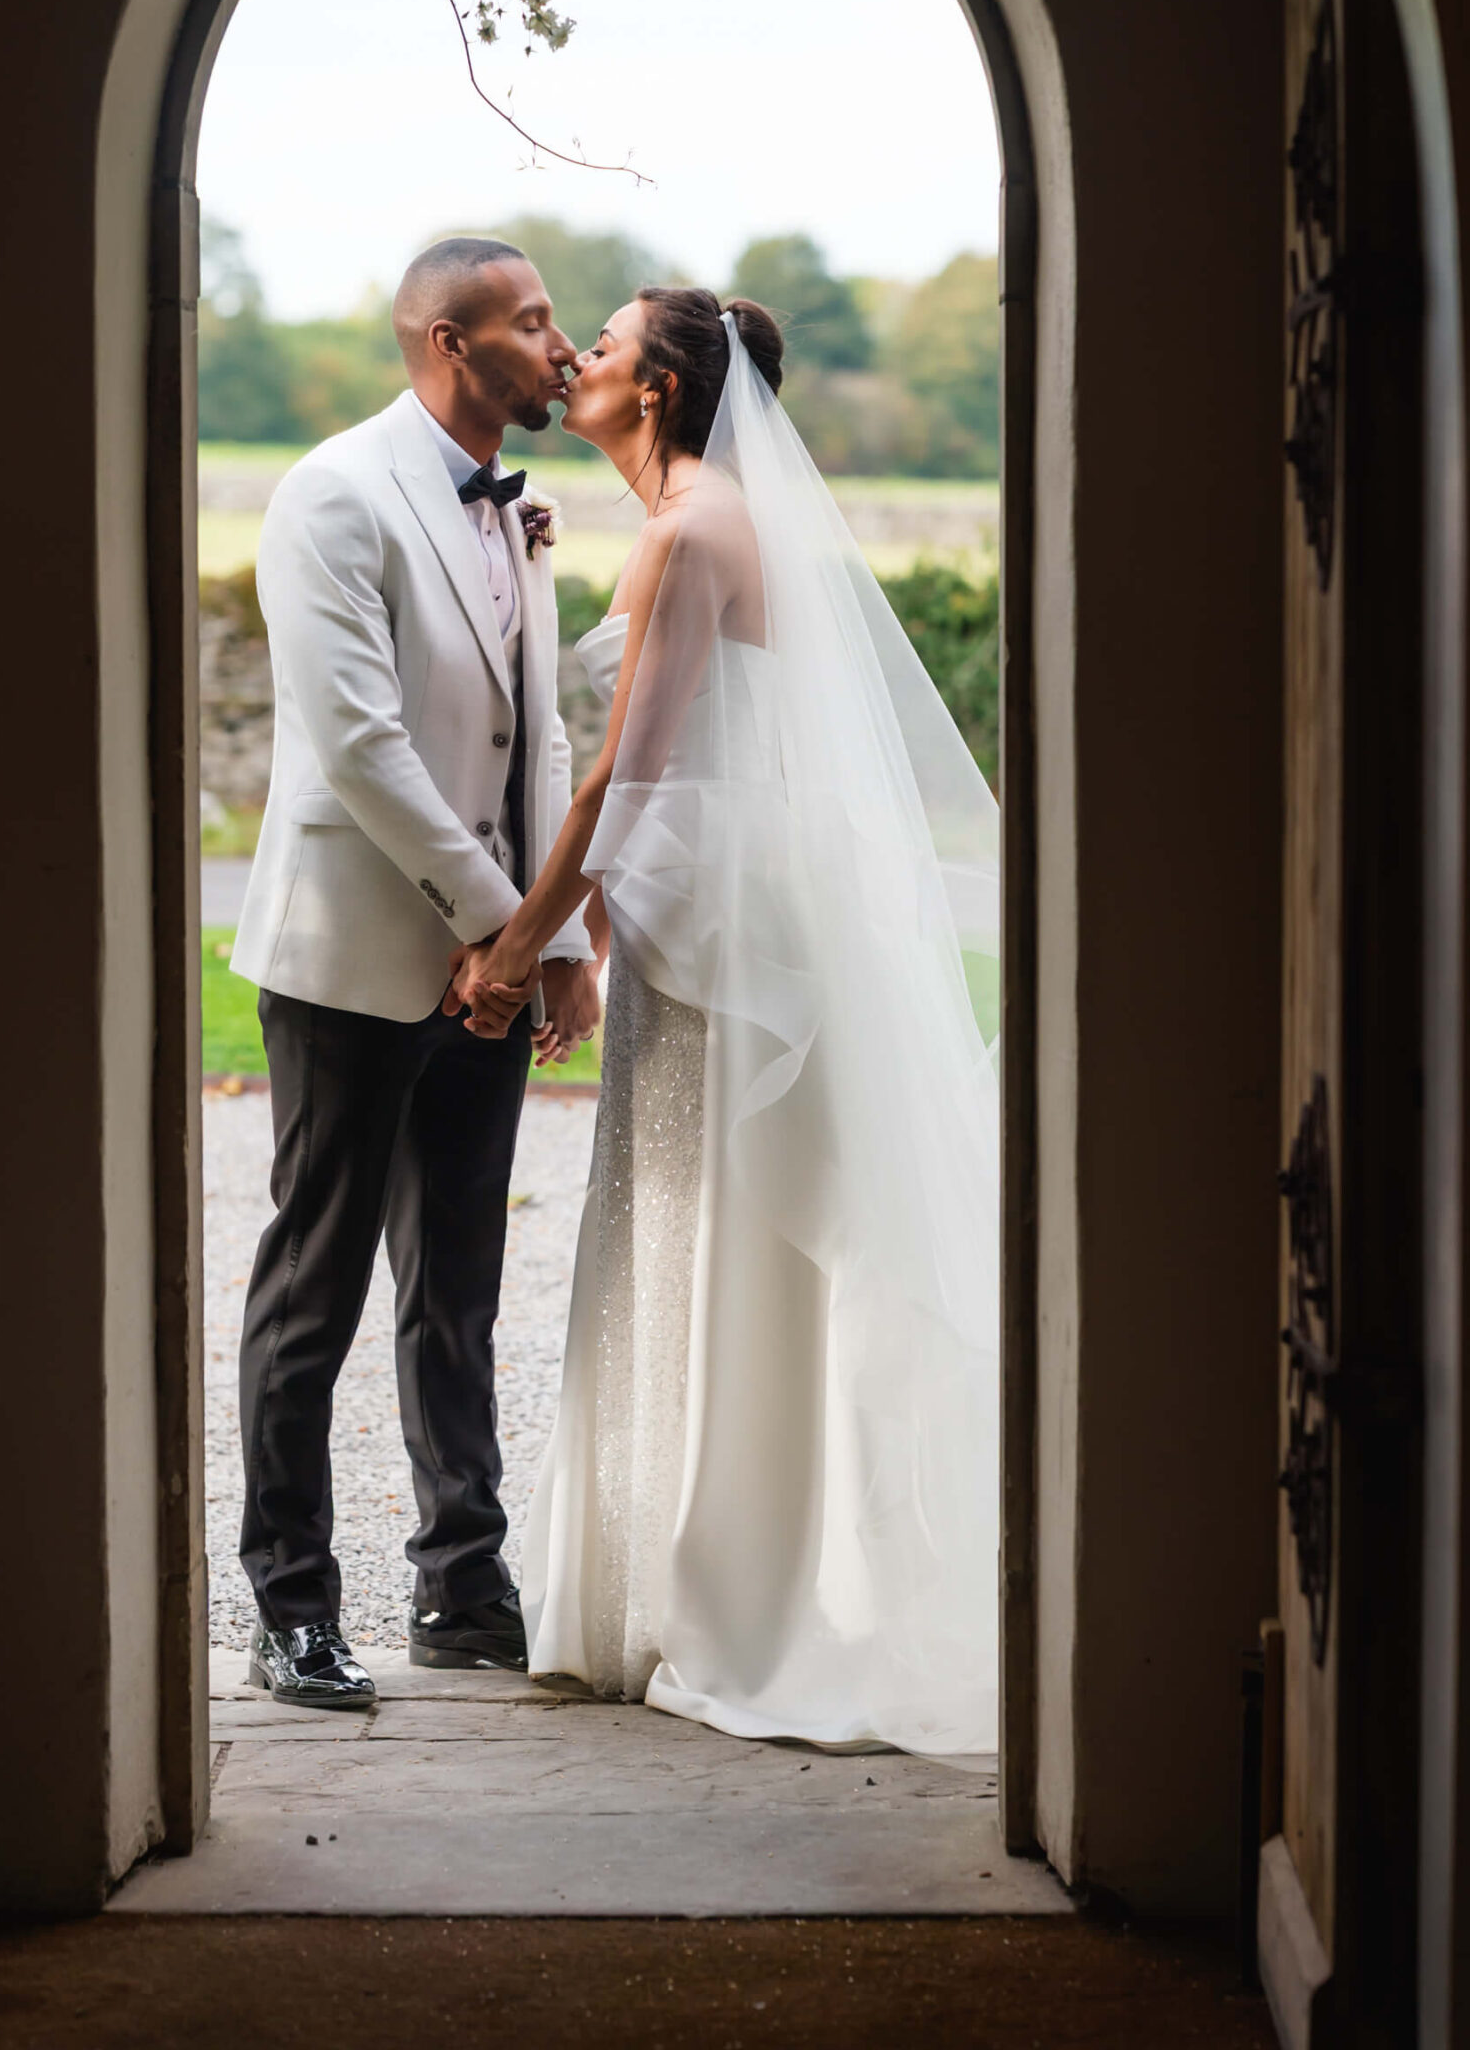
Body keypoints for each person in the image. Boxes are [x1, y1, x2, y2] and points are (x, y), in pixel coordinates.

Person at [448, 287, 1000, 1753]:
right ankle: (676, 1589)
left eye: (607, 346)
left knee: (702, 1242)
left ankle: (714, 1606)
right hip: (707, 926)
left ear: (668, 386)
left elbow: (616, 784)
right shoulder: (683, 519)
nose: (577, 358)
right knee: (690, 1237)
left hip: (718, 952)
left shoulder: (694, 530)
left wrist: (513, 954)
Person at [231, 236, 600, 1709]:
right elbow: (359, 747)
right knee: (310, 1291)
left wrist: (552, 945)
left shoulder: (514, 512)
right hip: (355, 962)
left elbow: (544, 738)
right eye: (532, 322)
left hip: (494, 965)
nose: (560, 345)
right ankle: (290, 1607)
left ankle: (461, 1584)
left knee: (458, 1285)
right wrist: (495, 926)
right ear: (450, 342)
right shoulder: (330, 495)